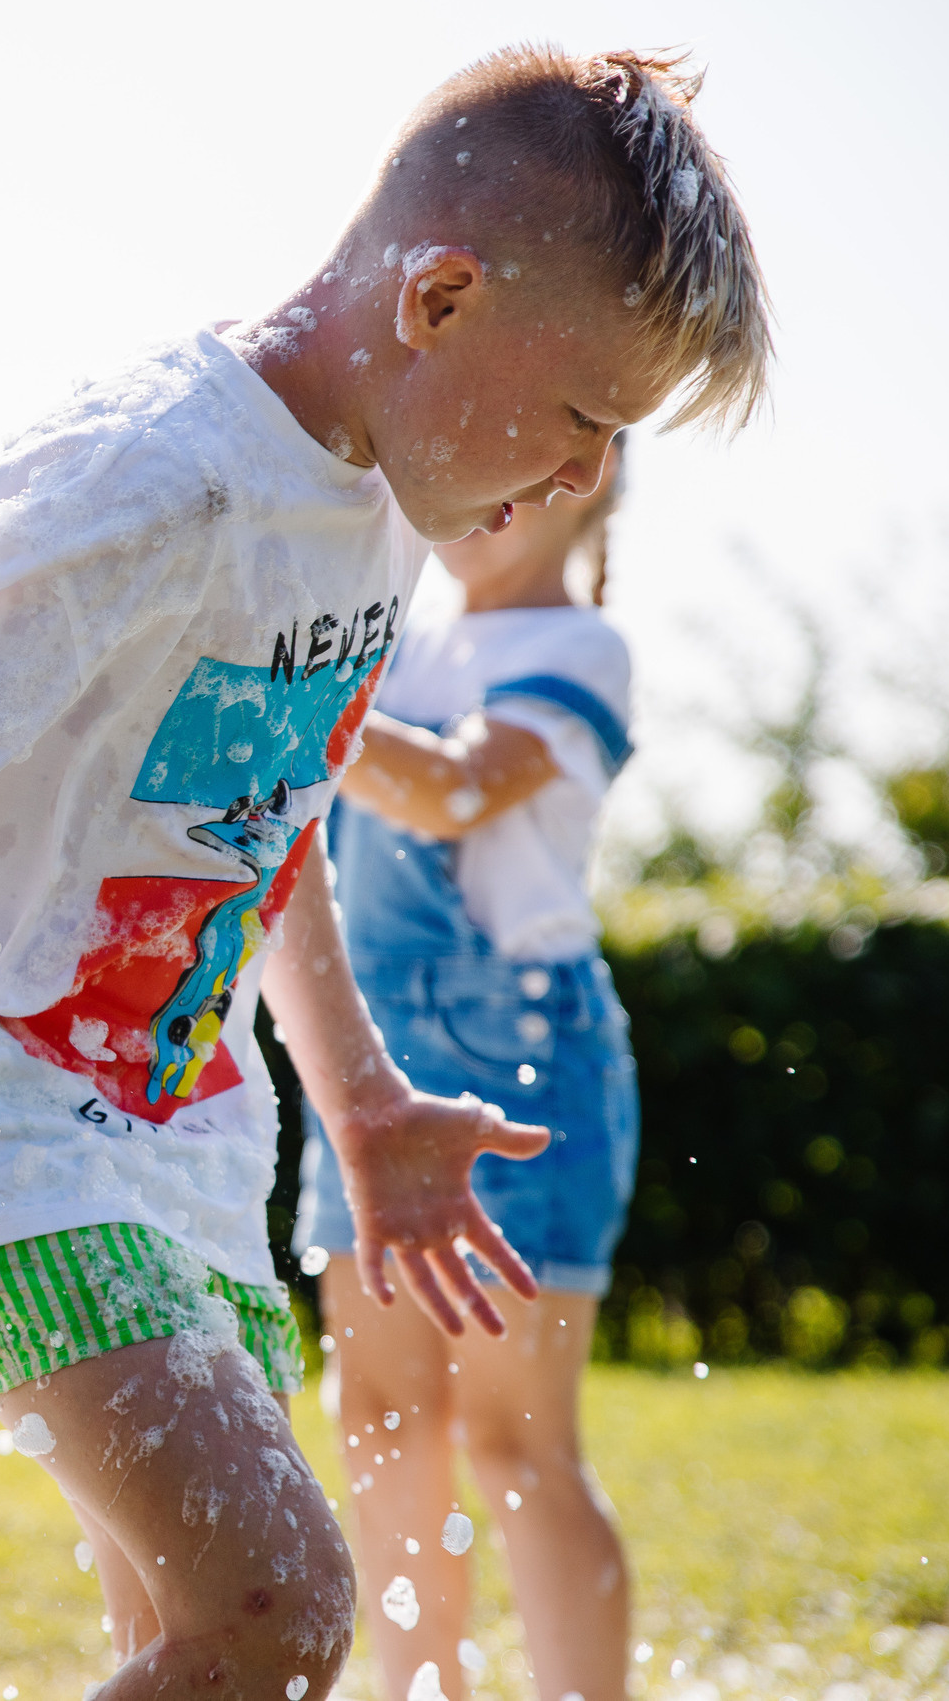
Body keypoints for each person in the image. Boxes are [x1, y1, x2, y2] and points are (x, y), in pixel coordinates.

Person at [0, 46, 768, 1701]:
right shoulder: (153, 490)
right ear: (438, 298)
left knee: (181, 1639)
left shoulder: (373, 504)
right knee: (278, 1604)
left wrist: (358, 1099)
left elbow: (259, 819)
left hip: (179, 1138)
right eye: (584, 418)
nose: (581, 482)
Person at [293, 434, 639, 1701]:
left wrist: (282, 693)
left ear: (580, 478)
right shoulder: (403, 642)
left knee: (514, 1445)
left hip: (525, 1063)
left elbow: (447, 793)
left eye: (507, 473)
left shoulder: (579, 650)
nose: (465, 505)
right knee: (381, 1423)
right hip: (375, 1060)